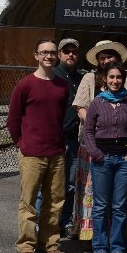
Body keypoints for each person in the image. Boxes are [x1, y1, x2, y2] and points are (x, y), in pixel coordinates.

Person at [7, 39, 69, 253]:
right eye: (44, 52)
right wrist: (22, 144)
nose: (48, 56)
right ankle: (26, 246)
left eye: (52, 53)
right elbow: (13, 119)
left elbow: (60, 116)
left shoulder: (63, 86)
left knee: (55, 202)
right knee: (29, 202)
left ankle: (50, 245)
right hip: (32, 153)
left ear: (57, 56)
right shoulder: (25, 85)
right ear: (36, 56)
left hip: (56, 153)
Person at [72, 40, 127, 243]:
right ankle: (92, 235)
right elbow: (80, 105)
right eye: (102, 57)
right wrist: (96, 122)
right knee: (92, 194)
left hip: (120, 147)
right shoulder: (89, 78)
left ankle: (116, 237)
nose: (106, 60)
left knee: (117, 196)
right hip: (94, 143)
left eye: (109, 56)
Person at [84, 62, 127, 253]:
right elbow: (88, 131)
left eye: (118, 77)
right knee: (100, 206)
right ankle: (99, 247)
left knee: (119, 206)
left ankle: (117, 247)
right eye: (111, 77)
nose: (115, 81)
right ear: (105, 80)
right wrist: (96, 153)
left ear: (123, 79)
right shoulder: (97, 103)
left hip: (125, 161)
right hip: (103, 160)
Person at [53, 38, 83, 239]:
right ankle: (46, 223)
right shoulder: (53, 76)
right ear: (59, 54)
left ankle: (65, 222)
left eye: (73, 51)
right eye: (66, 51)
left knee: (70, 185)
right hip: (55, 138)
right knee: (51, 185)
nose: (70, 54)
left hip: (73, 139)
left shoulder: (80, 79)